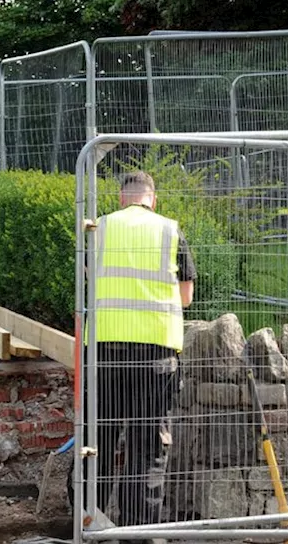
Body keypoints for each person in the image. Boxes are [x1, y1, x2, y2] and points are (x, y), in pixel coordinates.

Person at [83, 170, 195, 541]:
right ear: (153, 199)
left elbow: (89, 282)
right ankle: (138, 530)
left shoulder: (96, 229)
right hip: (155, 357)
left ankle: (90, 525)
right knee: (147, 449)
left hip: (104, 353)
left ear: (120, 198)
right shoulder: (169, 230)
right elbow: (186, 297)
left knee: (97, 442)